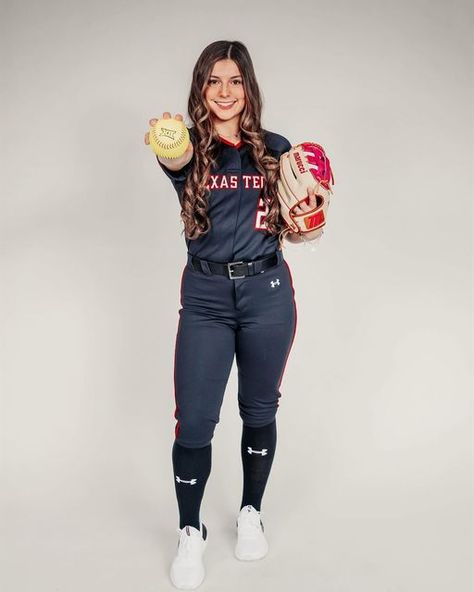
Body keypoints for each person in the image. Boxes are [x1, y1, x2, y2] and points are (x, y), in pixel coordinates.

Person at [144, 40, 321, 590]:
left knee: (259, 407)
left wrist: (309, 218)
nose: (225, 92)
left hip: (268, 290)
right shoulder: (189, 148)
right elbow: (172, 158)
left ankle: (250, 512)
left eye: (236, 81)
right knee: (195, 419)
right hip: (205, 297)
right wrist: (168, 144)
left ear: (249, 87)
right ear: (201, 88)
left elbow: (298, 219)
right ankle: (190, 531)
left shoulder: (275, 147)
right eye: (213, 81)